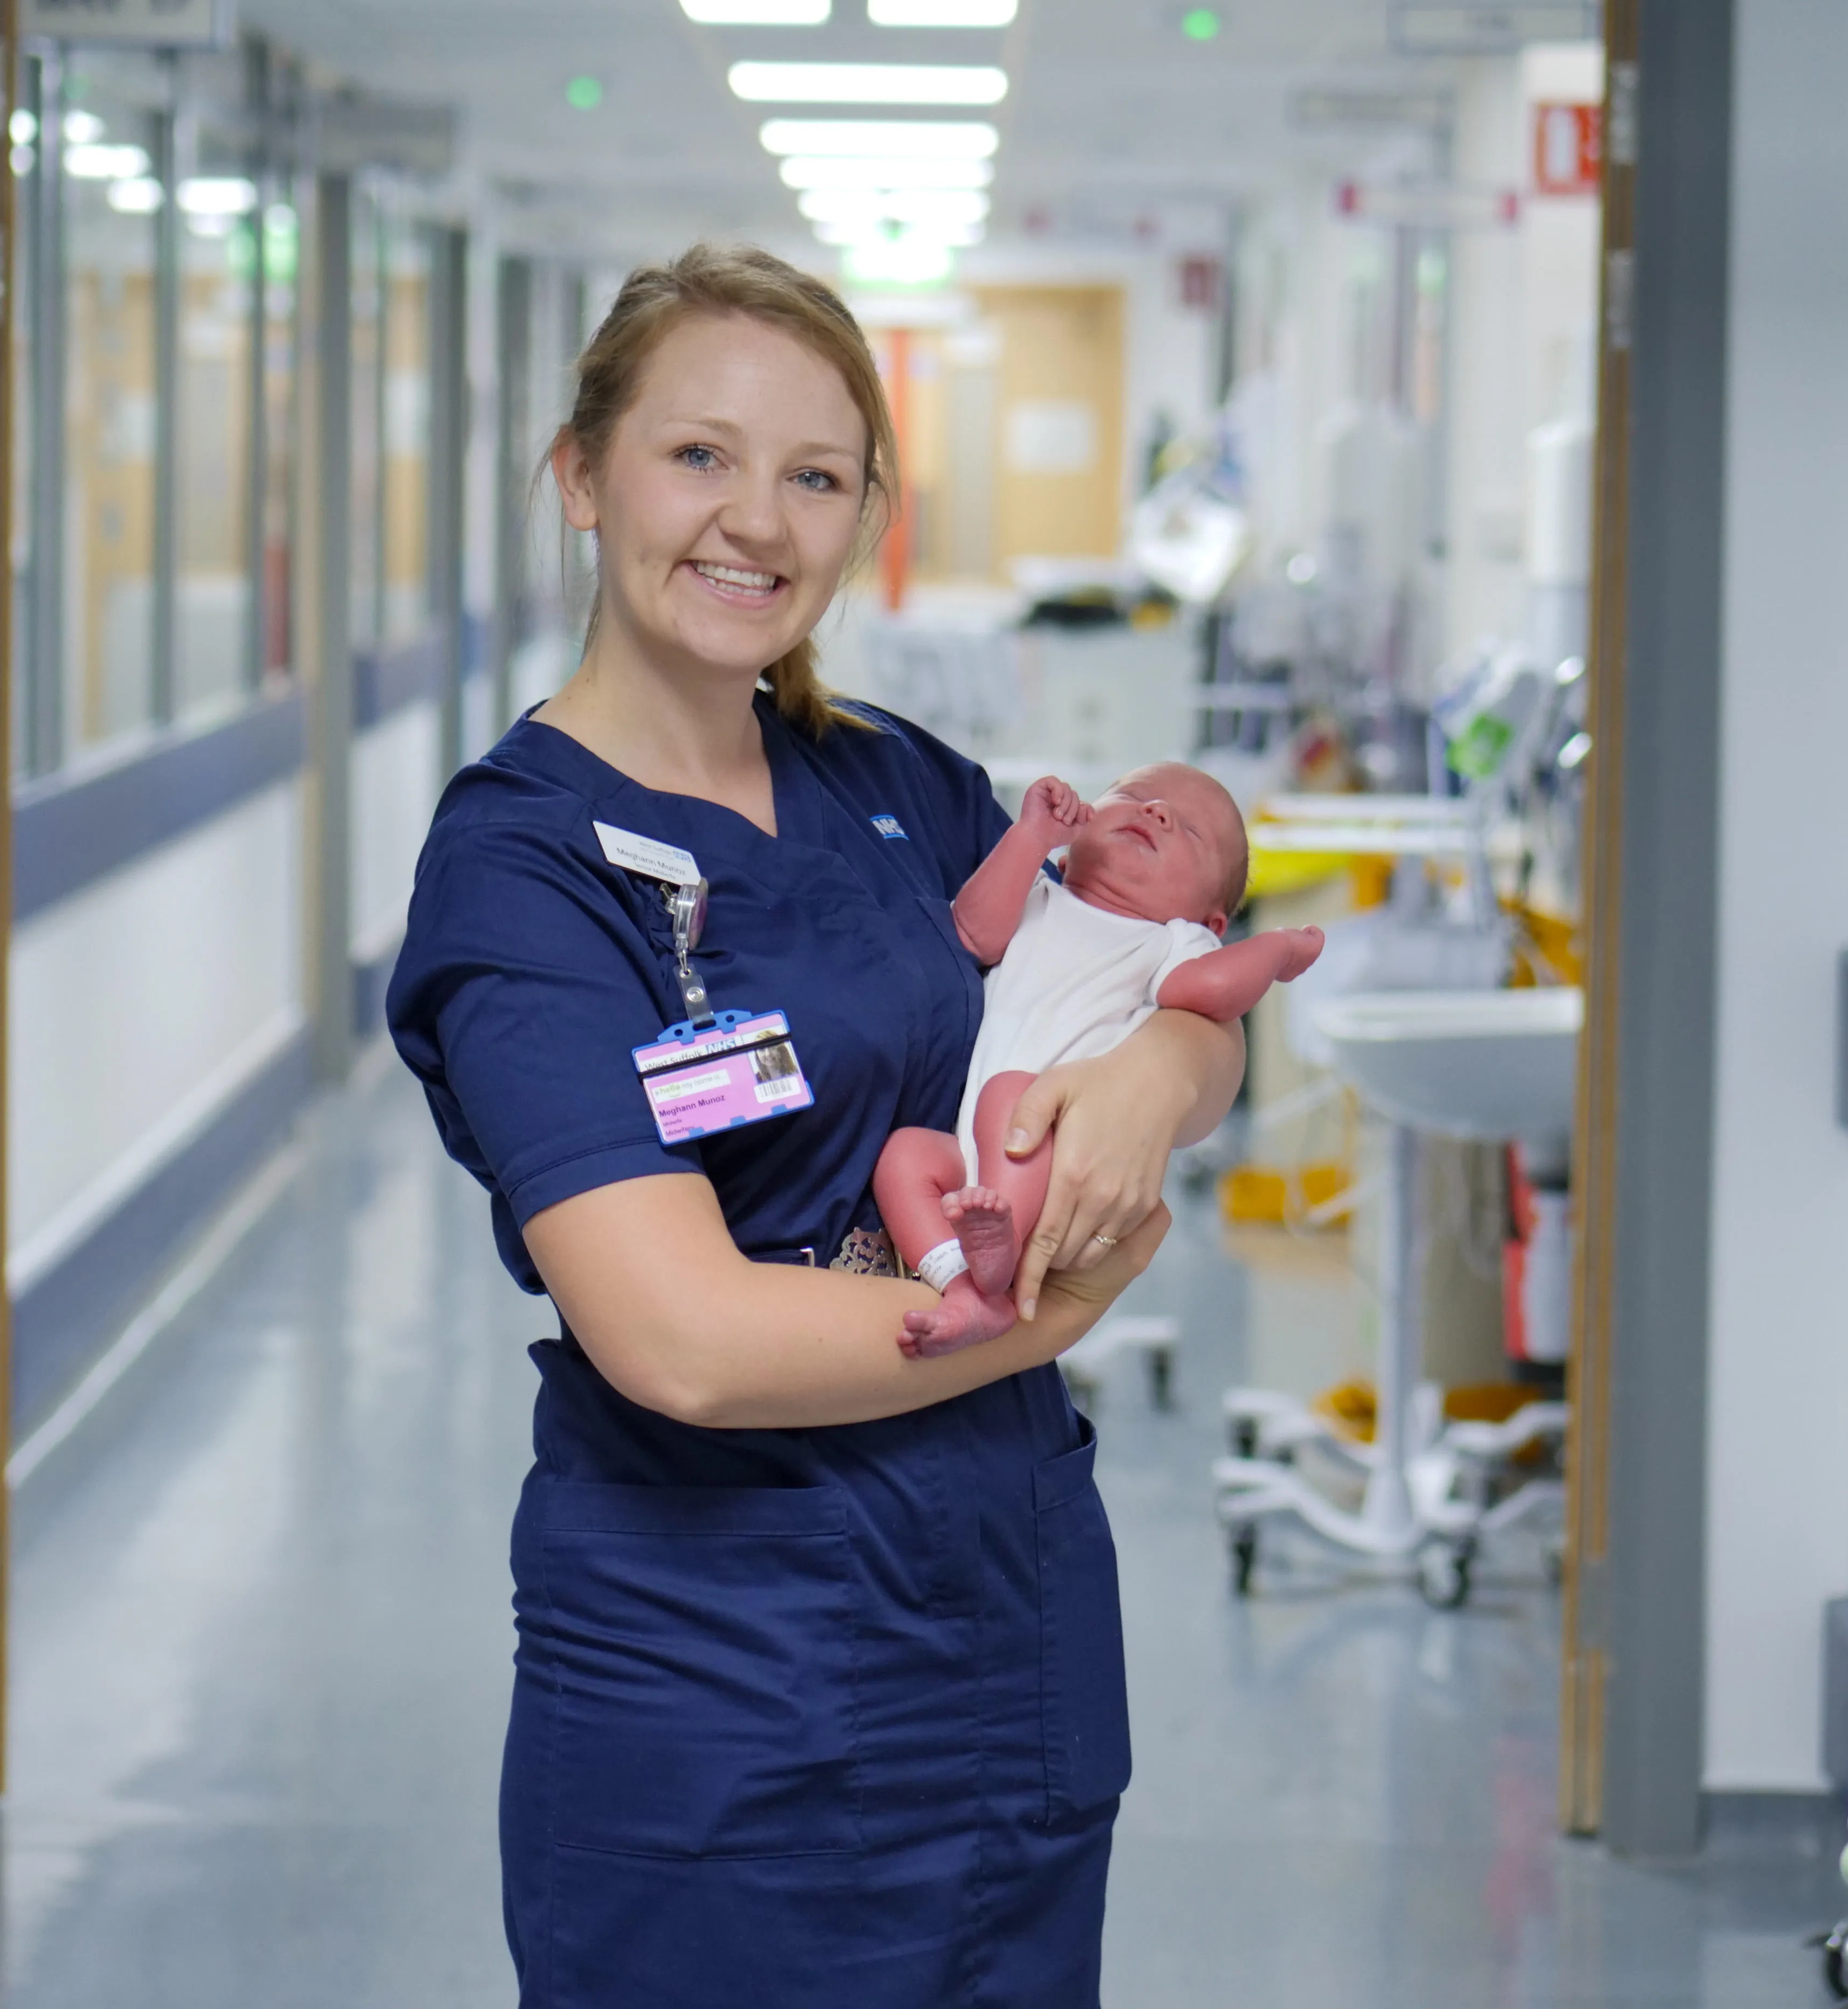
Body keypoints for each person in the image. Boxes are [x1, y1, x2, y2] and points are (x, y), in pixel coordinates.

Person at [384, 243, 1246, 2009]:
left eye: (815, 474)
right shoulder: (523, 871)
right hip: (719, 1687)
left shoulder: (895, 788)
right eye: (697, 453)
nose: (754, 519)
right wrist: (1049, 1312)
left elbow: (1148, 970)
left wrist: (1166, 1073)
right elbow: (684, 1337)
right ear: (580, 472)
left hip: (998, 1635)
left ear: (864, 513)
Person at [877, 765, 1323, 1358]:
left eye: (1190, 831)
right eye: (1134, 799)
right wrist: (1032, 836)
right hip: (967, 1158)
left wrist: (1276, 950)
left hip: (1058, 1140)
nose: (1157, 812)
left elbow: (1211, 993)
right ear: (1069, 853)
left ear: (1209, 923)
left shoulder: (1170, 942)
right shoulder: (1039, 897)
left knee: (1013, 1096)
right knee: (905, 1154)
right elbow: (974, 931)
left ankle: (1000, 1252)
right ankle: (964, 1287)